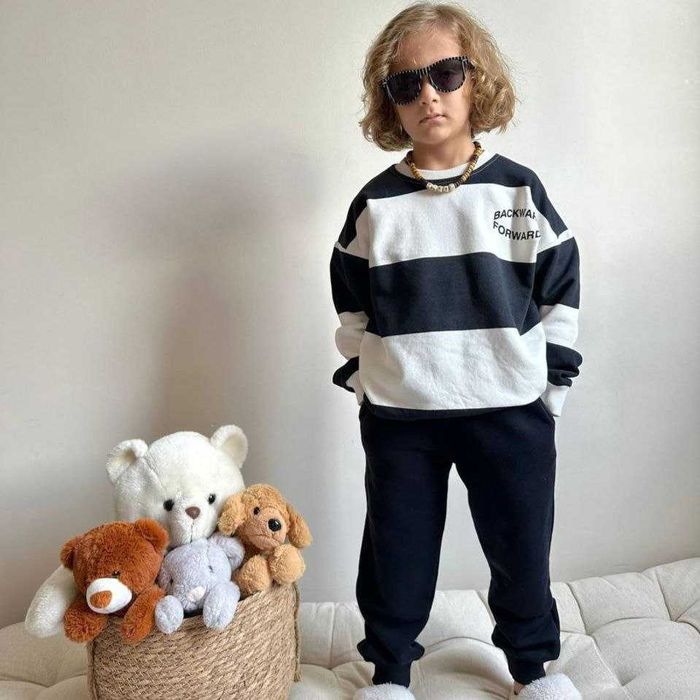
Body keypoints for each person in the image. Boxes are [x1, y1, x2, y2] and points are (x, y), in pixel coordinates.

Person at [329, 3, 583, 699]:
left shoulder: (519, 189)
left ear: (478, 80)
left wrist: (551, 389)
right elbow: (350, 304)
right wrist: (369, 381)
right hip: (402, 417)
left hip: (511, 410)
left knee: (521, 548)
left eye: (445, 73)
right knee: (397, 550)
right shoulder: (375, 205)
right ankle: (390, 674)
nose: (428, 95)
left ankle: (532, 670)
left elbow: (560, 290)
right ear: (389, 101)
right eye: (405, 83)